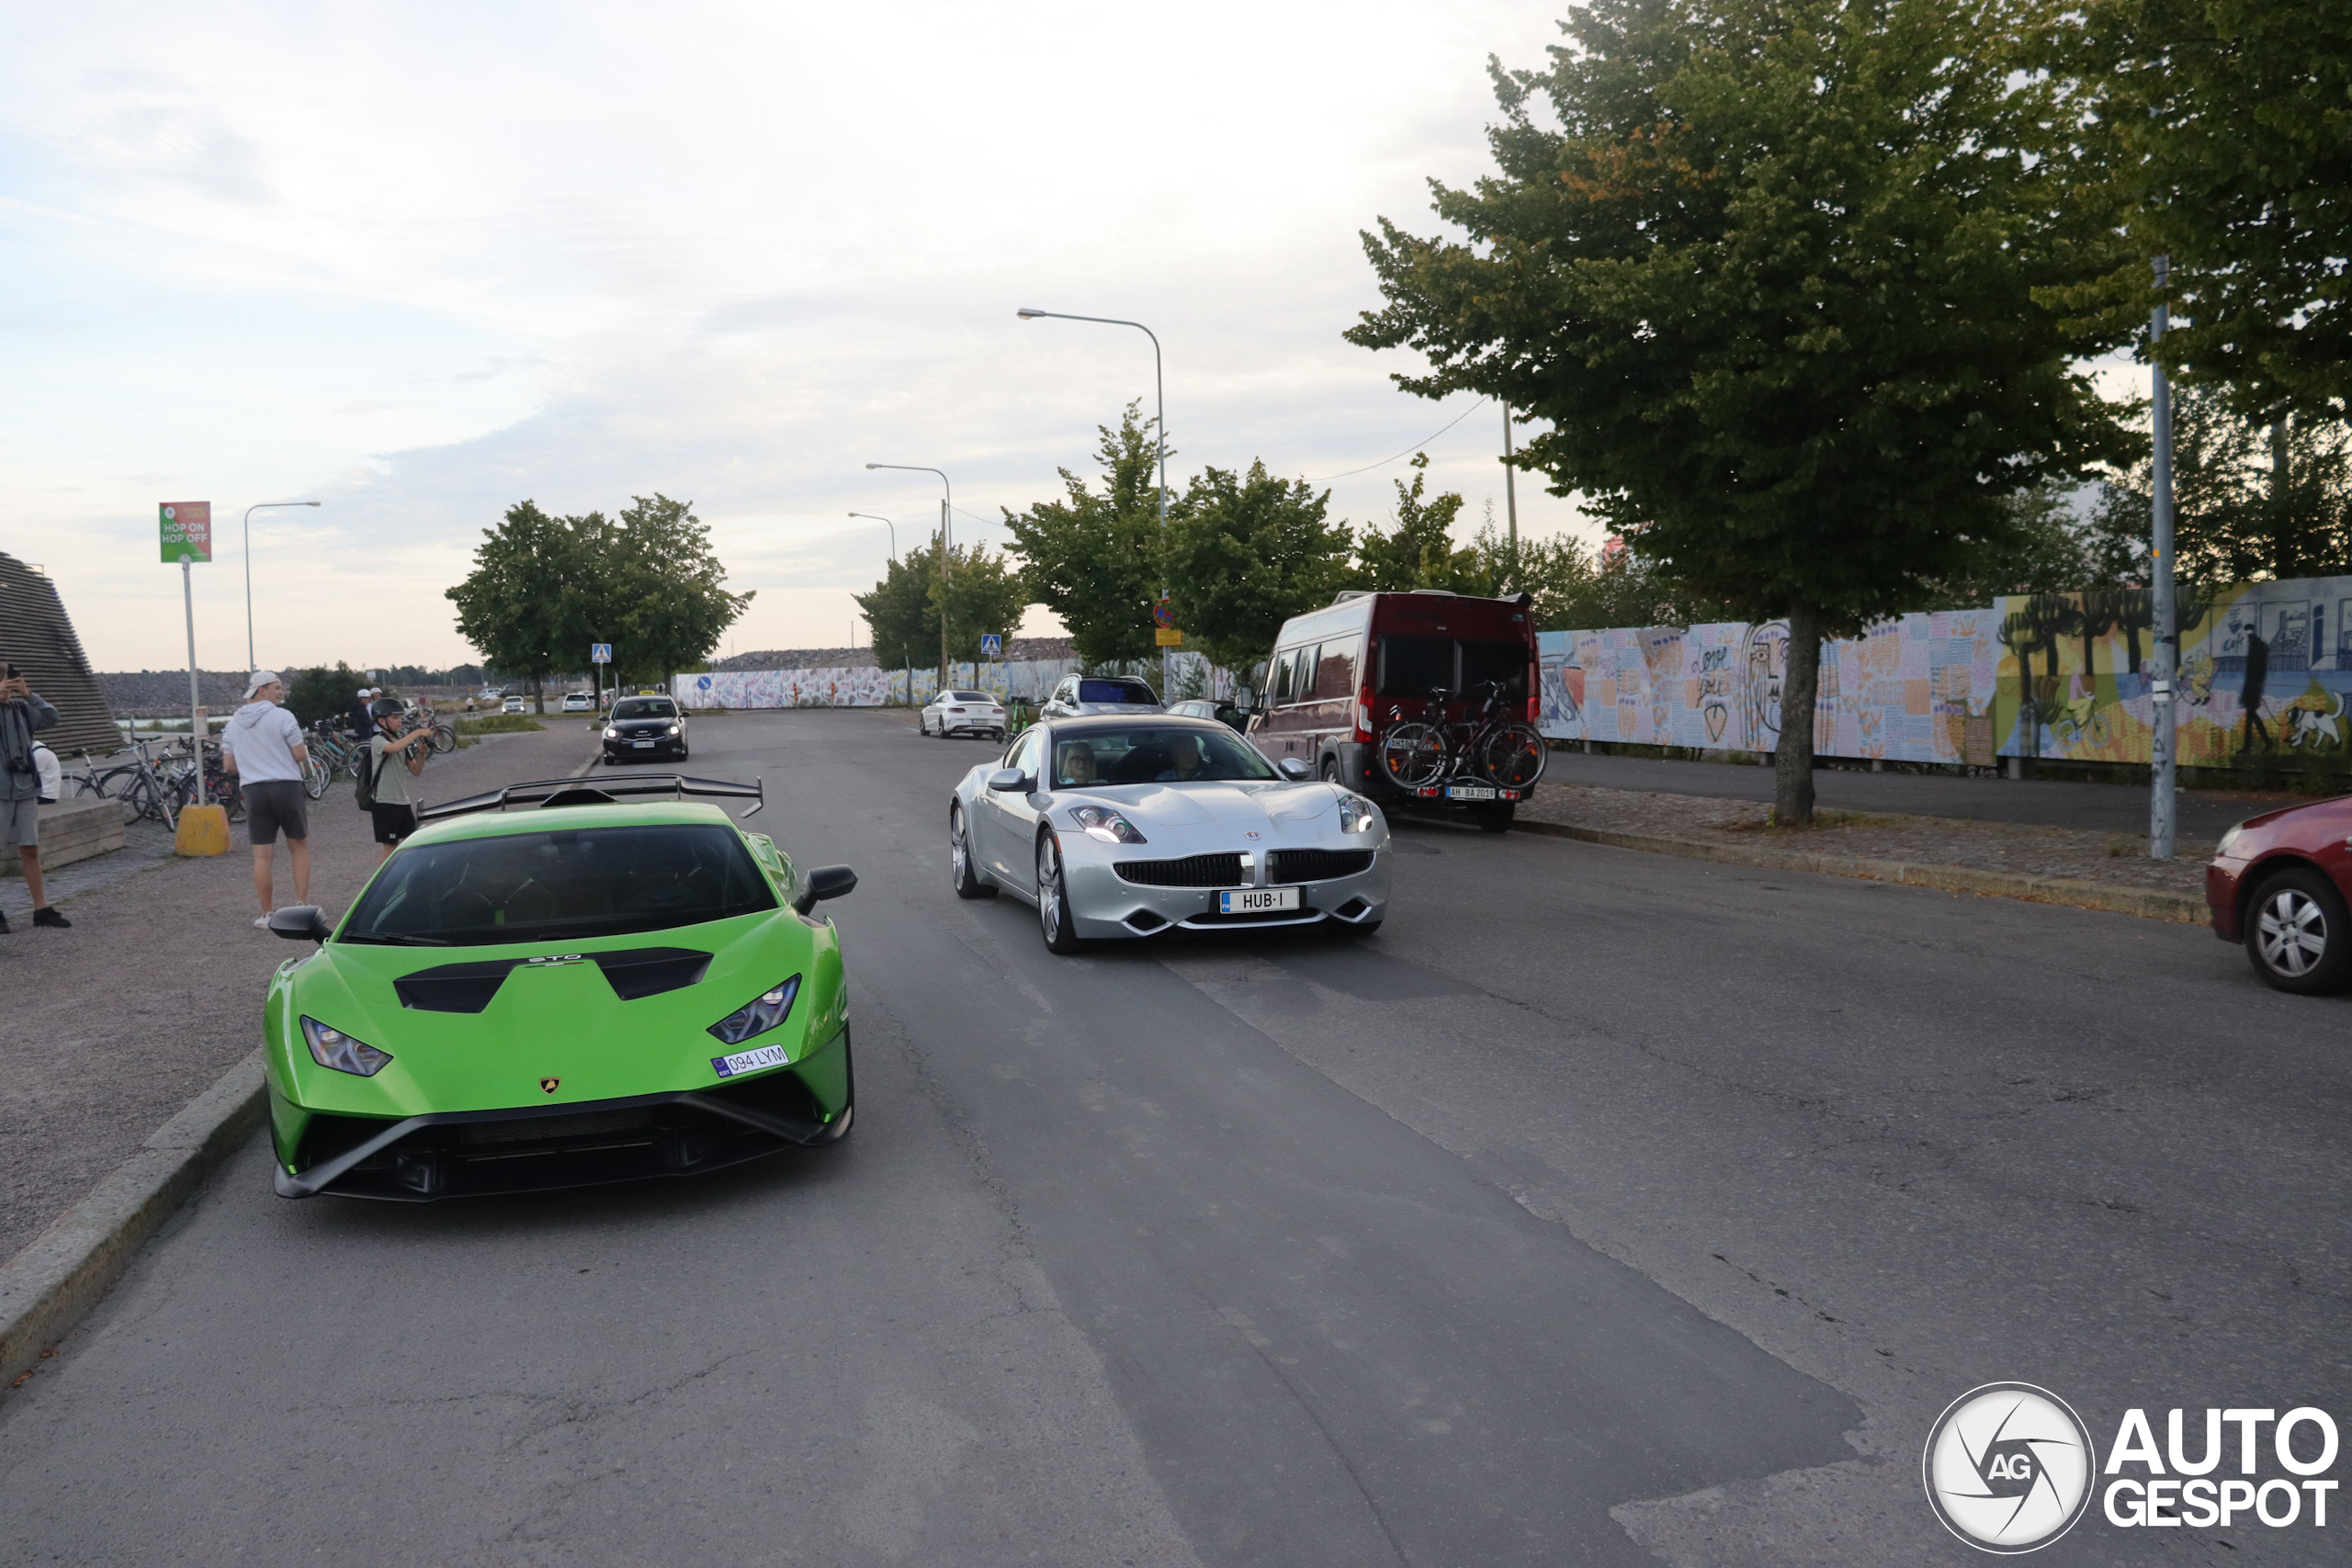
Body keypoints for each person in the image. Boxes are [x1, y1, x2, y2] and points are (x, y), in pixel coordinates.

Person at [222, 671, 316, 927]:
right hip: (286, 786)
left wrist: (255, 766)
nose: (281, 692)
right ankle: (301, 904)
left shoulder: (233, 724)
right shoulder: (283, 716)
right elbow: (299, 754)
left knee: (262, 855)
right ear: (261, 690)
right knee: (298, 846)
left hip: (254, 790)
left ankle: (267, 914)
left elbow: (229, 765)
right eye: (276, 687)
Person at [0, 664, 67, 931]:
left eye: (11, 680)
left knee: (31, 849)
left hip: (25, 788)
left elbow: (52, 717)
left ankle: (41, 910)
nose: (8, 685)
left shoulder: (21, 711)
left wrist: (28, 694)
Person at [368, 696, 433, 863]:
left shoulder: (400, 742)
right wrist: (417, 732)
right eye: (395, 718)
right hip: (385, 802)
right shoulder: (378, 741)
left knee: (411, 842)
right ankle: (380, 885)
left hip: (402, 801)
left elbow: (415, 770)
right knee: (390, 846)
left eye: (400, 718)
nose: (399, 722)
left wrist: (422, 754)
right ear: (381, 721)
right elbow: (394, 748)